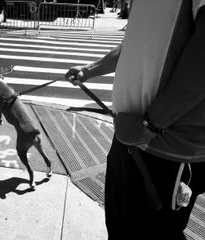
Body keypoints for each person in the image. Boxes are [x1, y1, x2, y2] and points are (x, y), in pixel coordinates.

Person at [65, 1, 205, 239]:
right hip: (132, 136)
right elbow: (135, 44)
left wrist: (151, 124)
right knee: (120, 229)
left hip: (165, 147)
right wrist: (90, 69)